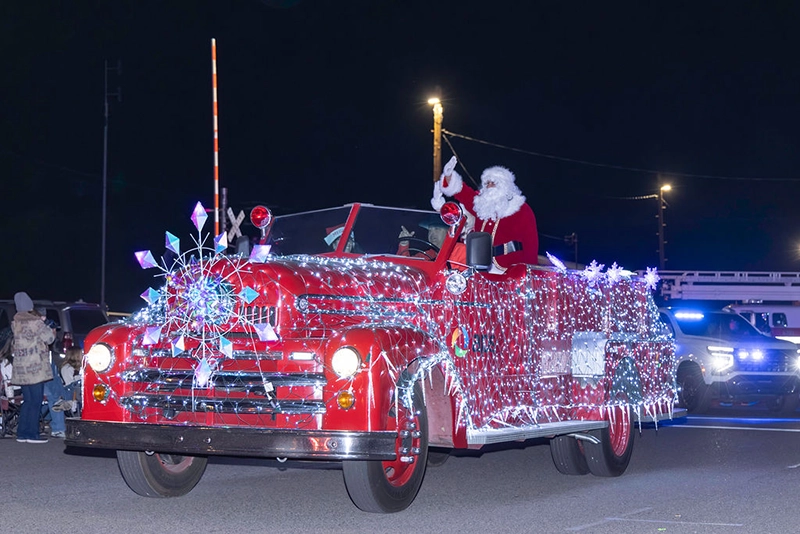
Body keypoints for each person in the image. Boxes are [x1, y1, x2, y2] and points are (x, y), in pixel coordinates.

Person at [432, 156, 539, 271]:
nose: (489, 186)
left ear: (504, 185)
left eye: (493, 183)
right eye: (487, 183)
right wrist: (449, 176)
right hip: (478, 265)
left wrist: (530, 271)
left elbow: (531, 243)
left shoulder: (520, 208)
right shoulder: (481, 204)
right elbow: (463, 192)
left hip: (508, 268)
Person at [10, 292, 55, 443]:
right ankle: (32, 434)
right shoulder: (35, 322)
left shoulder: (15, 323)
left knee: (28, 401)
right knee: (36, 401)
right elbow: (49, 338)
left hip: (21, 370)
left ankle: (22, 433)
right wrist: (48, 327)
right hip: (35, 368)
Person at [397, 215, 467, 267]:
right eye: (430, 230)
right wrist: (404, 244)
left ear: (448, 231)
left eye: (437, 229)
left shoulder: (462, 251)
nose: (432, 234)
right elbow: (405, 267)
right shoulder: (427, 255)